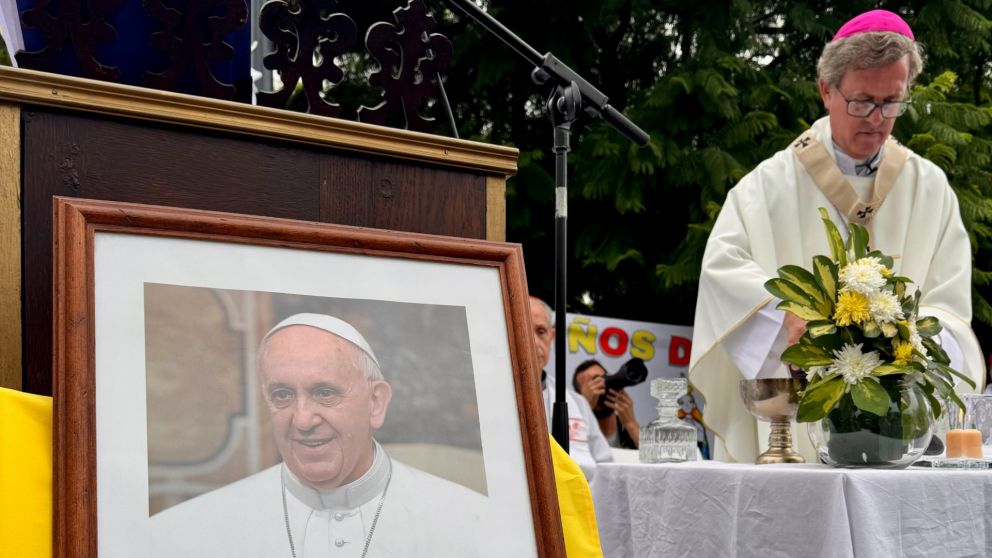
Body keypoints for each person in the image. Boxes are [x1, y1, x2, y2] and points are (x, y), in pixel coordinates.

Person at [689, 9, 985, 464]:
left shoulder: (930, 189)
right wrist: (784, 318)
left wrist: (900, 341)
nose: (878, 119)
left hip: (897, 429)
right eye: (862, 101)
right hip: (795, 430)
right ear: (826, 90)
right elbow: (722, 271)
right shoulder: (766, 186)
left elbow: (950, 311)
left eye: (892, 102)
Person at [150, 313, 484, 557]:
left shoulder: (470, 521)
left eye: (324, 392)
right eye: (282, 395)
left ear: (376, 403)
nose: (302, 419)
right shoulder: (190, 531)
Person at [529, 297, 613, 481]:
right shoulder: (486, 395)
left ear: (552, 337)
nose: (533, 342)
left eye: (541, 331)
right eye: (524, 329)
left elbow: (604, 465)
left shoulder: (577, 403)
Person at [572, 359, 640, 449]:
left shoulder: (628, 432)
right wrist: (585, 408)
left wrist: (631, 424)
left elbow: (653, 456)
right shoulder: (575, 432)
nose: (602, 386)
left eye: (604, 378)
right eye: (594, 382)